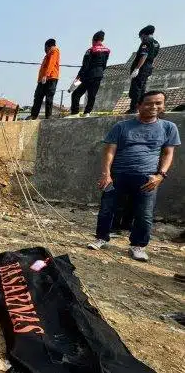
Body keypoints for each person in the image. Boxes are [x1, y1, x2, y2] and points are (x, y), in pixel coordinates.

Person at [89, 91, 180, 262]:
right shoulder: (122, 127)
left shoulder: (168, 128)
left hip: (148, 177)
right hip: (118, 175)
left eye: (158, 103)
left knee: (144, 214)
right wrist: (106, 174)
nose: (153, 107)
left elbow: (168, 154)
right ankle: (101, 238)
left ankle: (138, 246)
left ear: (163, 105)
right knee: (107, 209)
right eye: (149, 103)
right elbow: (109, 151)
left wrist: (160, 175)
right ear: (139, 105)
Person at [69, 31, 110, 117]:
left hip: (89, 75)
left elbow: (85, 66)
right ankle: (87, 113)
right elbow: (104, 65)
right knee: (92, 95)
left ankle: (75, 113)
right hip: (99, 75)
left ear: (93, 40)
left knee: (75, 94)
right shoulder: (106, 51)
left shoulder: (90, 50)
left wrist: (77, 79)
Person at [127, 25, 160, 114]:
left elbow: (144, 55)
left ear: (144, 35)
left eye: (140, 37)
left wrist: (137, 68)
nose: (141, 39)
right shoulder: (156, 43)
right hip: (148, 68)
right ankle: (141, 108)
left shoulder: (146, 42)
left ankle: (134, 109)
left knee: (136, 88)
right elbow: (153, 57)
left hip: (142, 68)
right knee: (142, 88)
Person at [30, 39, 60, 120]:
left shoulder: (54, 51)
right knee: (38, 97)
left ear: (47, 46)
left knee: (49, 97)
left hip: (51, 78)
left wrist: (46, 75)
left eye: (45, 47)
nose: (44, 50)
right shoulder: (47, 55)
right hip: (43, 79)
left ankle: (48, 116)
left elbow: (52, 63)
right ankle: (33, 115)